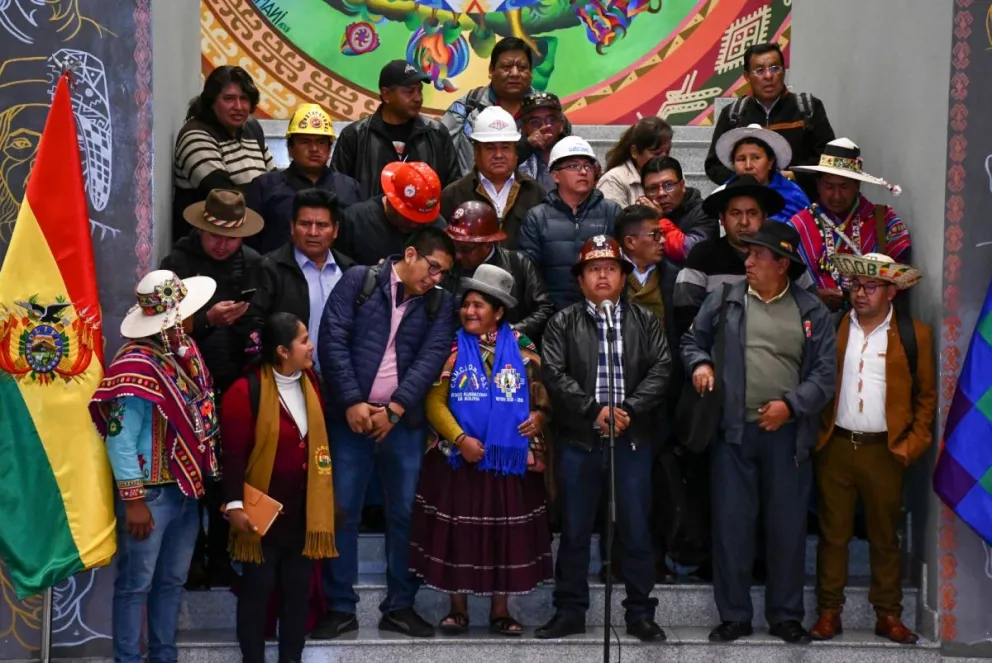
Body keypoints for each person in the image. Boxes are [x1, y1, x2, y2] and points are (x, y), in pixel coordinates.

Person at [681, 222, 836, 645]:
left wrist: (791, 405)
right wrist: (700, 364)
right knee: (732, 526)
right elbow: (691, 341)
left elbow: (825, 374)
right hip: (733, 432)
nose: (747, 262)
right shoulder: (725, 298)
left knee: (786, 527)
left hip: (787, 437)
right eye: (747, 254)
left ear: (782, 264)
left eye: (757, 256)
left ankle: (786, 616)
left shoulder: (810, 310)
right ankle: (734, 615)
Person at [313, 227, 457, 639]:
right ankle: (340, 606)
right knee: (342, 511)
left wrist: (395, 408)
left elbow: (431, 358)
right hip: (350, 419)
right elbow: (332, 340)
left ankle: (400, 605)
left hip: (402, 424)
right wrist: (353, 402)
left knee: (406, 513)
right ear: (410, 254)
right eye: (432, 268)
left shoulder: (440, 303)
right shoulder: (359, 280)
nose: (436, 279)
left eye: (443, 273)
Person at [537, 235, 671, 642]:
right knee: (575, 529)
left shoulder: (644, 320)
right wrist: (593, 410)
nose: (602, 275)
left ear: (623, 277)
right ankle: (569, 611)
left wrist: (628, 408)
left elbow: (662, 369)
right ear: (580, 280)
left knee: (634, 528)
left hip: (631, 439)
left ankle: (640, 613)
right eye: (593, 269)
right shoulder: (563, 322)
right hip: (580, 440)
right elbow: (553, 374)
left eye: (610, 268)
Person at [408, 265, 553, 636]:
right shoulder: (451, 347)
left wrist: (539, 416)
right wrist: (460, 440)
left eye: (479, 306)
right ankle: (457, 609)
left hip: (509, 461)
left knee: (502, 536)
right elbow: (434, 403)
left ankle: (500, 611)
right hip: (459, 460)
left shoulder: (523, 349)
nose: (470, 312)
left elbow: (542, 395)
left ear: (499, 312)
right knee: (461, 534)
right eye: (466, 305)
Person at [89, 270, 220, 663]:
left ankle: (164, 655)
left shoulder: (183, 359)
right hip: (151, 495)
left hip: (183, 492)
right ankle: (128, 659)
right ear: (171, 322)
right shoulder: (137, 368)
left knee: (171, 582)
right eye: (185, 314)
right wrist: (133, 501)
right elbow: (120, 439)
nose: (192, 320)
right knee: (136, 585)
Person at [809, 253, 935, 645]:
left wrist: (912, 444)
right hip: (837, 445)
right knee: (833, 534)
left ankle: (889, 614)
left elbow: (926, 396)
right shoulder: (831, 327)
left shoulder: (915, 335)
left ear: (892, 291)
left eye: (871, 286)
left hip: (886, 449)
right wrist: (817, 437)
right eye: (856, 286)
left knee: (885, 536)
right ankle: (829, 612)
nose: (860, 293)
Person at [160, 189, 263, 588]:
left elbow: (262, 321)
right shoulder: (177, 264)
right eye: (214, 235)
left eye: (231, 237)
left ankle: (221, 557)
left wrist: (246, 331)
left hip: (236, 385)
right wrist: (207, 321)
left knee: (227, 477)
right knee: (188, 476)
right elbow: (161, 330)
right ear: (199, 229)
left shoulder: (254, 265)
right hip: (183, 389)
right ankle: (190, 559)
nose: (222, 245)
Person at [221, 312, 337, 663]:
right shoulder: (246, 391)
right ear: (283, 351)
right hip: (261, 515)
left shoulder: (311, 383)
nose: (311, 345)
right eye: (304, 340)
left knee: (297, 595)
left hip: (303, 512)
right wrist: (234, 505)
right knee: (257, 591)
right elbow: (233, 456)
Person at [788, 138, 911, 311]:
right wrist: (815, 295)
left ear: (857, 185)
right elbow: (783, 283)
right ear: (818, 185)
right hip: (815, 324)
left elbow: (901, 279)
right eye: (829, 186)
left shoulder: (884, 223)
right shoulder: (798, 227)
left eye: (844, 187)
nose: (836, 196)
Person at [241, 189, 354, 372]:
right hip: (285, 378)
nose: (313, 232)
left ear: (335, 230)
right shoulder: (268, 268)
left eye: (322, 225)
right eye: (305, 224)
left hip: (339, 380)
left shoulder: (349, 271)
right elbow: (250, 326)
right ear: (292, 227)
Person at [704, 42, 835, 200]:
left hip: (800, 204)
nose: (768, 76)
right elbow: (713, 165)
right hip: (750, 205)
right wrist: (747, 179)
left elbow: (828, 160)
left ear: (784, 71)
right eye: (759, 70)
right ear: (747, 76)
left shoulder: (808, 108)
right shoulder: (734, 115)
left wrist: (793, 175)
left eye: (774, 68)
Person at [673, 176, 785, 338]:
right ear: (722, 218)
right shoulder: (702, 256)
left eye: (752, 213)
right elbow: (685, 318)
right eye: (736, 213)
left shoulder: (781, 257)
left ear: (764, 217)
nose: (744, 222)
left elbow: (807, 313)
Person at [519, 136, 622, 310]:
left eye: (587, 166)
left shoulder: (611, 212)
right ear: (555, 175)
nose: (583, 172)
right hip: (551, 315)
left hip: (602, 310)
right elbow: (529, 275)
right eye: (573, 166)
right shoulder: (537, 217)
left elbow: (622, 266)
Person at [173, 65, 275, 242]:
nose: (238, 106)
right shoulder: (195, 135)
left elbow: (276, 184)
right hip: (210, 245)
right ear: (211, 102)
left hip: (252, 240)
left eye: (244, 99)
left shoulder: (252, 128)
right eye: (229, 98)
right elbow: (226, 199)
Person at [331, 60, 459, 199]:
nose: (418, 98)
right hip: (369, 220)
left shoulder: (436, 133)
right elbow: (339, 190)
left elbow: (452, 190)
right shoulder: (355, 135)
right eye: (409, 91)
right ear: (386, 95)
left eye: (420, 90)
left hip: (424, 219)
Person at [245, 103, 362, 254]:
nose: (314, 149)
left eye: (321, 142)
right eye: (305, 142)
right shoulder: (265, 186)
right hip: (276, 275)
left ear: (329, 148)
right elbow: (249, 245)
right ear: (290, 148)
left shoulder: (349, 188)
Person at [447, 201, 554, 343]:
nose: (458, 255)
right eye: (455, 247)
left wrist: (509, 334)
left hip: (512, 349)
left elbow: (544, 308)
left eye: (465, 249)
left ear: (487, 244)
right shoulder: (447, 268)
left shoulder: (518, 263)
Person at [439, 106, 545, 249]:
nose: (499, 155)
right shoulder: (453, 195)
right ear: (476, 152)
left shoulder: (535, 192)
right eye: (490, 147)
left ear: (516, 151)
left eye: (506, 147)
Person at [442, 37, 536, 176]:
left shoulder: (546, 112)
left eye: (522, 68)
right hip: (474, 195)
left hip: (532, 197)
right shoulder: (467, 106)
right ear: (491, 70)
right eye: (506, 67)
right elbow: (442, 157)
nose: (515, 73)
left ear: (531, 73)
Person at [337, 161, 447, 266]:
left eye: (421, 220)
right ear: (391, 200)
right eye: (407, 217)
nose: (414, 224)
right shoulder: (354, 221)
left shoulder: (437, 228)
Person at [712, 124, 810, 223]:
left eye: (756, 158)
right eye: (741, 159)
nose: (748, 166)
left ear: (770, 162)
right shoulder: (721, 194)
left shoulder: (793, 194)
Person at [597, 117, 674, 207]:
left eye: (667, 152)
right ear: (635, 152)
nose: (664, 159)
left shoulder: (674, 174)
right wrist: (651, 218)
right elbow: (614, 220)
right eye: (656, 153)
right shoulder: (613, 181)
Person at [516, 92, 572, 192]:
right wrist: (526, 146)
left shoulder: (578, 156)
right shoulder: (515, 160)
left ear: (561, 125)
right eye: (535, 122)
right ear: (524, 128)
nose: (545, 126)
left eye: (551, 120)